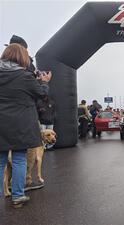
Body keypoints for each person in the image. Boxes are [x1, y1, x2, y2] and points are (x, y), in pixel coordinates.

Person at [0, 44, 51, 207]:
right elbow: (41, 94)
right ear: (21, 57)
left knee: (0, 161)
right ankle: (17, 196)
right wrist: (44, 82)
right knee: (19, 159)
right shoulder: (25, 76)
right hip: (21, 124)